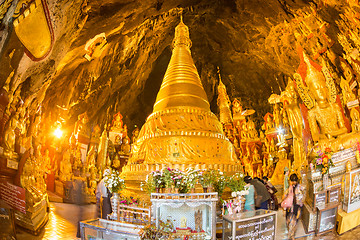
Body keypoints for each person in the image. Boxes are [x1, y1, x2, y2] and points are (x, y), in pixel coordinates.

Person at [281, 173, 305, 240]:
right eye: (292, 181)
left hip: (296, 207)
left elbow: (304, 193)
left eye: (295, 180)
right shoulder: (290, 188)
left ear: (297, 180)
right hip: (290, 207)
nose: (293, 182)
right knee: (289, 222)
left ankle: (291, 235)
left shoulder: (300, 187)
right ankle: (291, 235)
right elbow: (284, 196)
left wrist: (301, 201)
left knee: (294, 221)